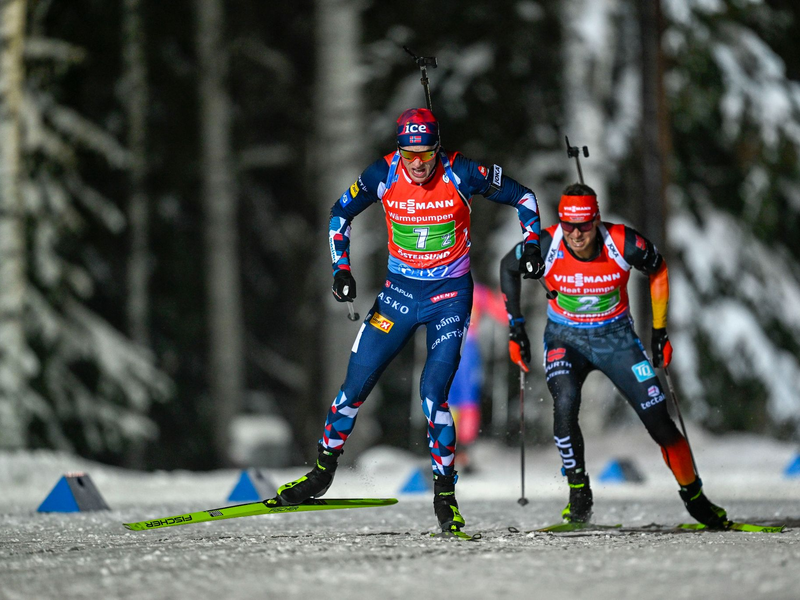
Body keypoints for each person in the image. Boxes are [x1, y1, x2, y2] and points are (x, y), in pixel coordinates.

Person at [275, 108, 545, 534]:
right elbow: (338, 215)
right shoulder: (382, 173)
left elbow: (525, 197)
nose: (417, 163)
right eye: (408, 153)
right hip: (397, 297)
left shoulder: (463, 171)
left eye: (425, 153)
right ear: (398, 149)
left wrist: (532, 243)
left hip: (449, 299)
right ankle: (322, 474)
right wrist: (341, 269)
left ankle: (445, 498)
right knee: (352, 390)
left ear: (438, 148)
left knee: (433, 395)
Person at [500, 183, 728, 528]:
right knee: (565, 403)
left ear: (597, 220)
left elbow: (659, 269)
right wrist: (516, 328)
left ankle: (695, 498)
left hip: (616, 340)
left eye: (584, 225)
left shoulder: (623, 242)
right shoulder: (546, 244)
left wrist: (660, 331)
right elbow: (507, 267)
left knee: (660, 423)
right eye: (568, 225)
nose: (576, 234)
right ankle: (579, 493)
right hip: (566, 339)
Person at [447, 282, 507, 472]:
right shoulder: (437, 286)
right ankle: (448, 449)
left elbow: (503, 315)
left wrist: (506, 296)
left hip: (468, 350)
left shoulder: (476, 290)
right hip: (443, 347)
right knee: (446, 400)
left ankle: (464, 451)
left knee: (467, 402)